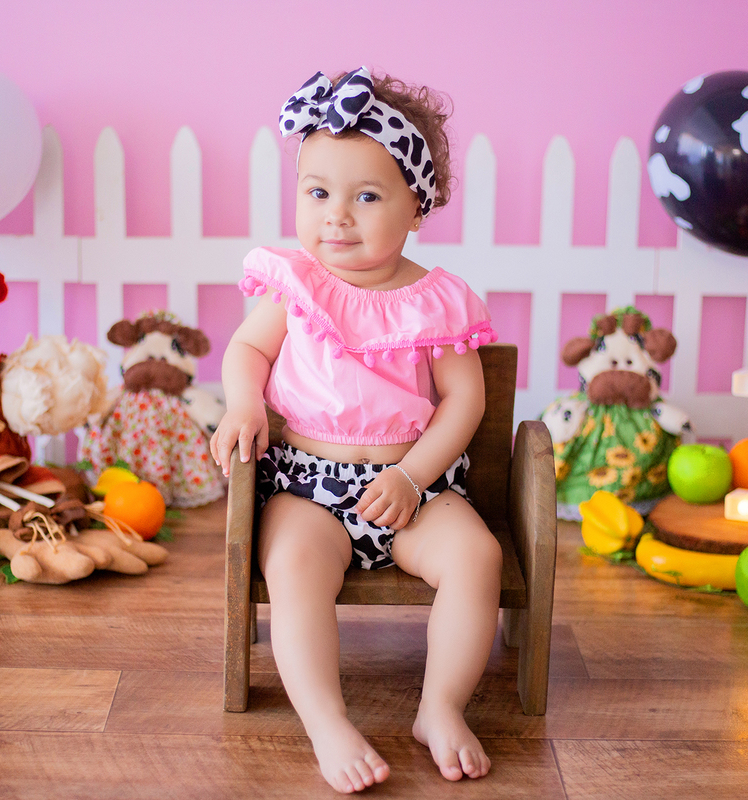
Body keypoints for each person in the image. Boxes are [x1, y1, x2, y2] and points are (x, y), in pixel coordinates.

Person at [210, 67, 501, 794]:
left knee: (477, 557)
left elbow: (465, 402)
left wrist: (413, 476)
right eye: (318, 192)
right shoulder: (297, 286)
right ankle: (326, 720)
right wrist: (245, 403)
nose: (336, 216)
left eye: (366, 196)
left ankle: (440, 707)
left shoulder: (437, 301)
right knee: (295, 567)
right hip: (308, 485)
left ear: (417, 206)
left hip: (413, 487)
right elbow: (247, 350)